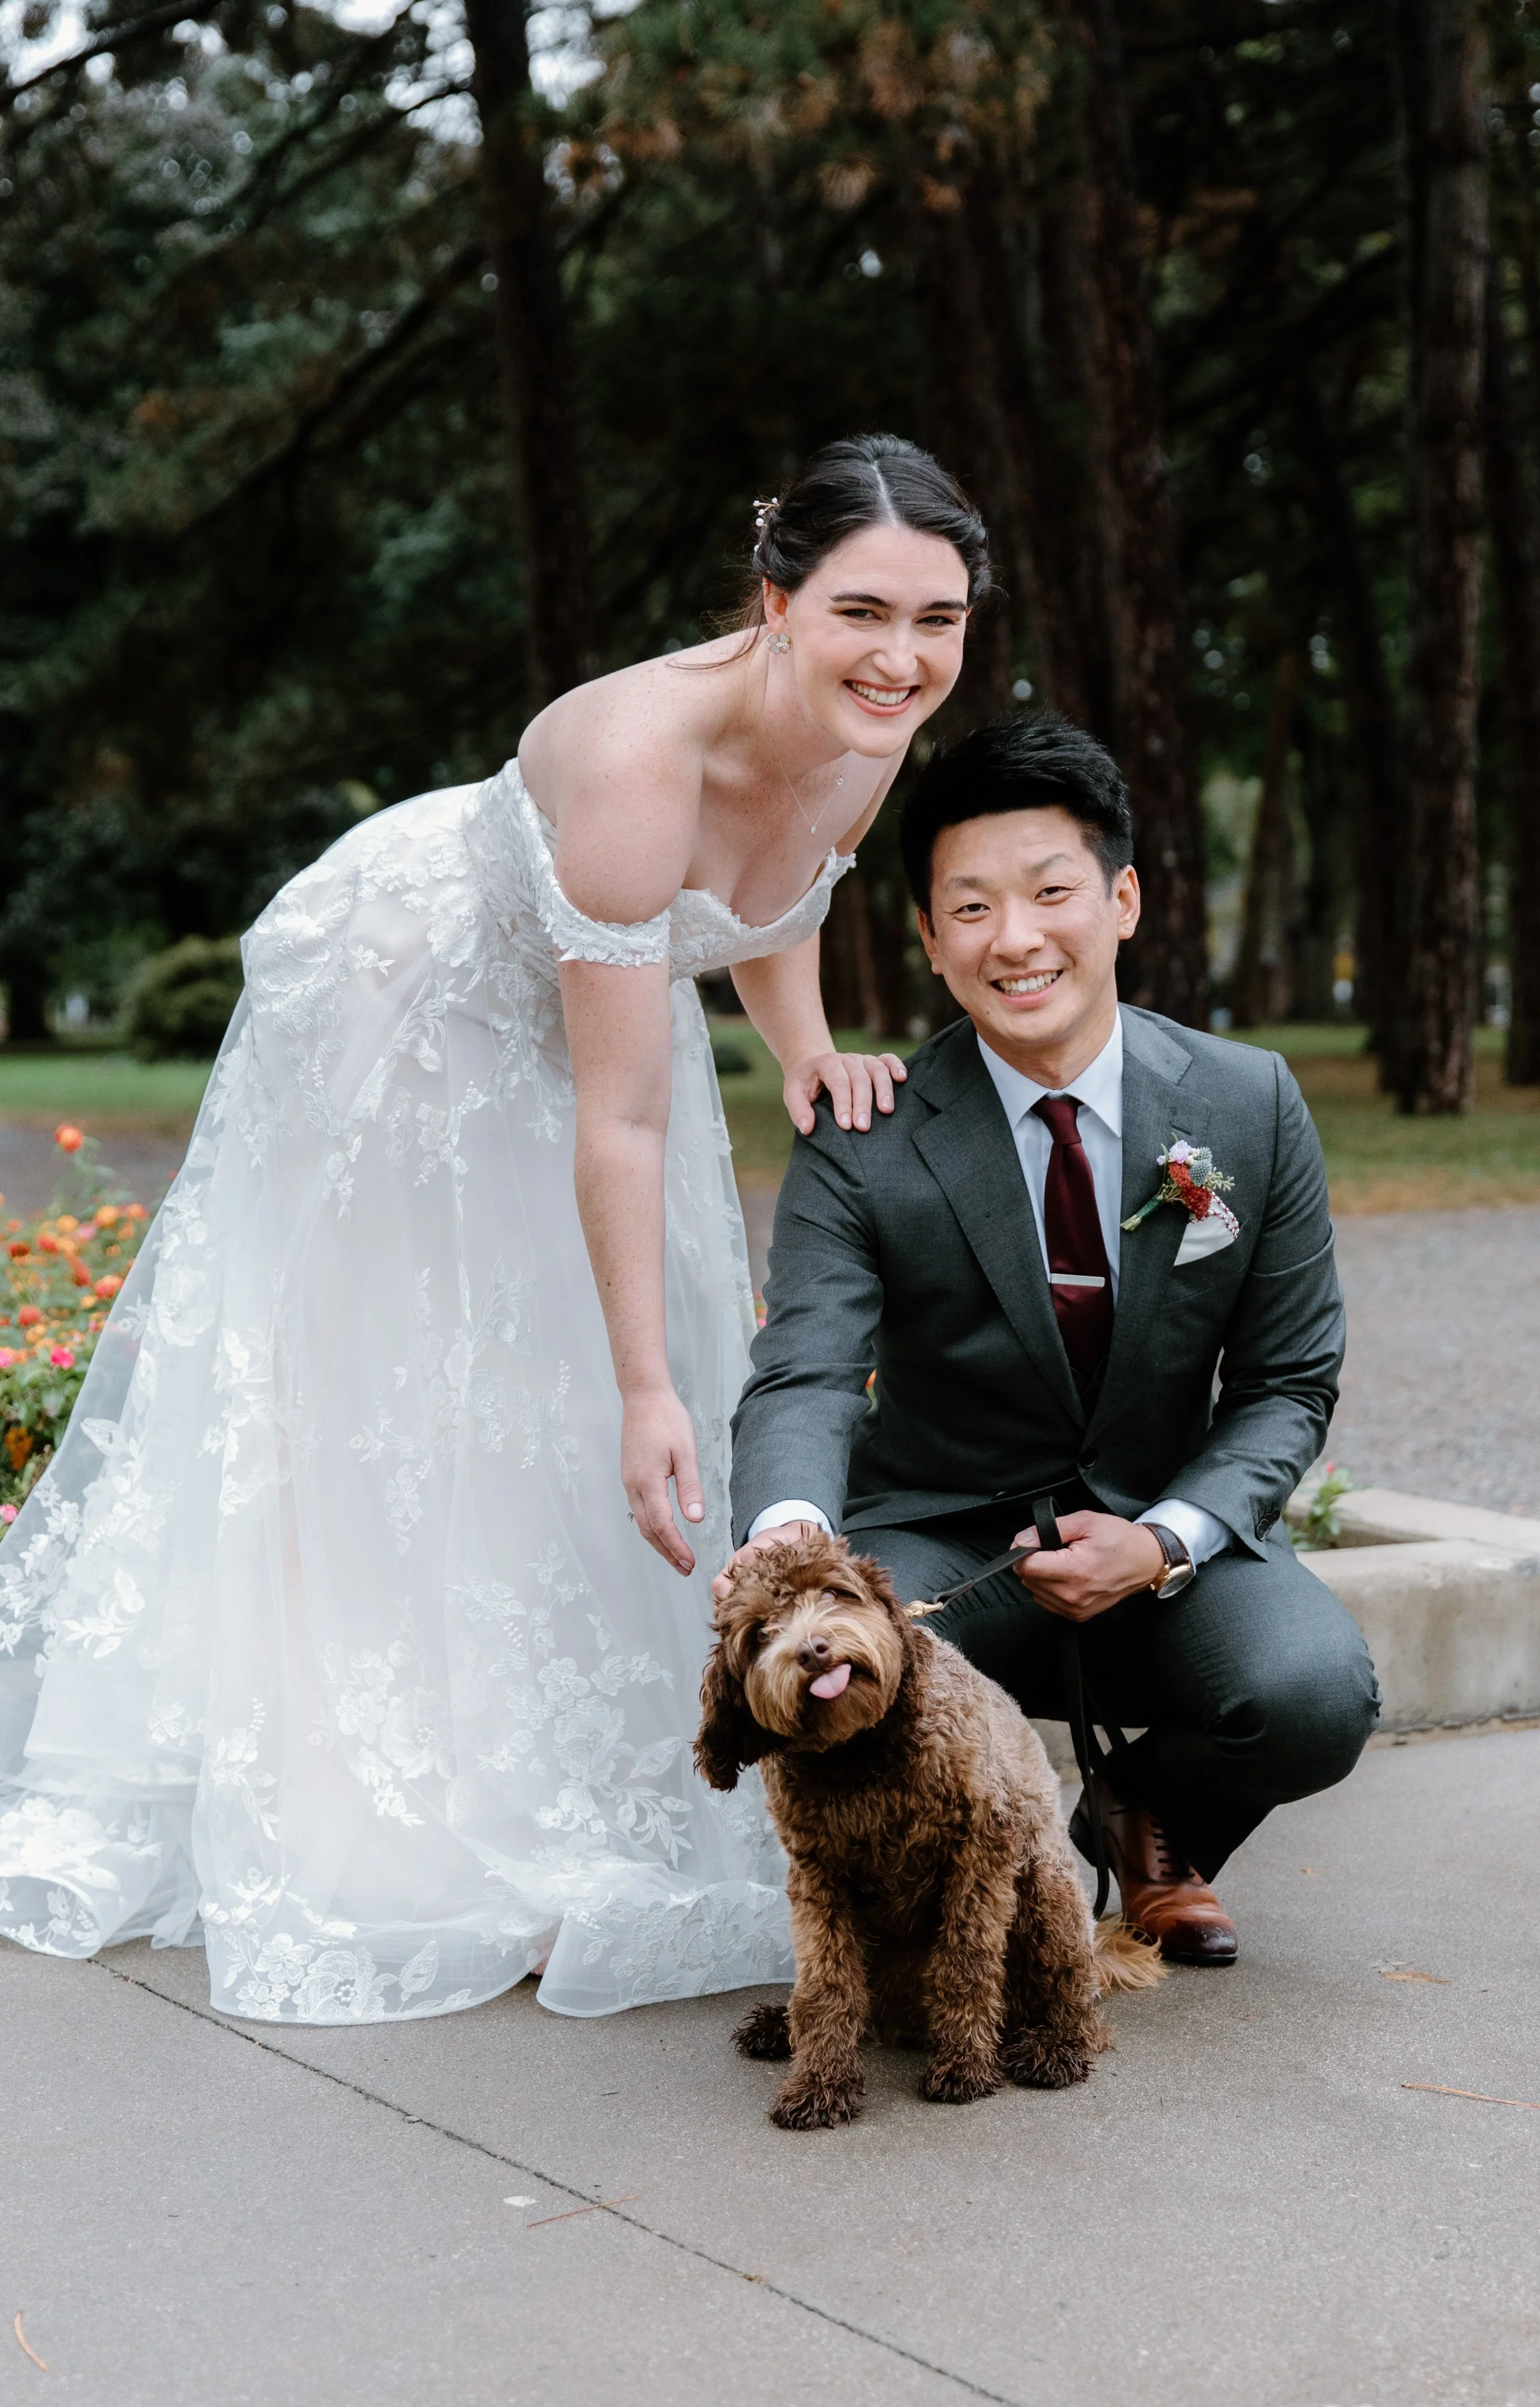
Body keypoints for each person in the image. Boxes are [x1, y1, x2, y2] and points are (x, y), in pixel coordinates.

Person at [0, 434, 986, 2023]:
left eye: (938, 621)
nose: (903, 657)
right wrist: (653, 1388)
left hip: (602, 1017)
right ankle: (380, 1777)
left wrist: (807, 1052)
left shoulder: (873, 729)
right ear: (776, 601)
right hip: (415, 1008)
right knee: (416, 1388)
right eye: (864, 611)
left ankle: (568, 1762)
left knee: (561, 1381)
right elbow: (626, 1118)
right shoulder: (628, 761)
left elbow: (780, 903)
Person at [724, 711, 1380, 1963]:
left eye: (1051, 892)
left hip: (1159, 1521)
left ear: (1123, 899)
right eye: (969, 908)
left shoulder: (1250, 1101)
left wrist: (1165, 1538)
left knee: (1313, 1693)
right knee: (862, 1685)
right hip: (947, 1534)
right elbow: (805, 1363)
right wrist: (793, 1541)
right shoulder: (866, 1132)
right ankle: (935, 1904)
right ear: (929, 939)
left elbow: (1290, 1379)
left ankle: (1148, 1814)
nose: (1015, 939)